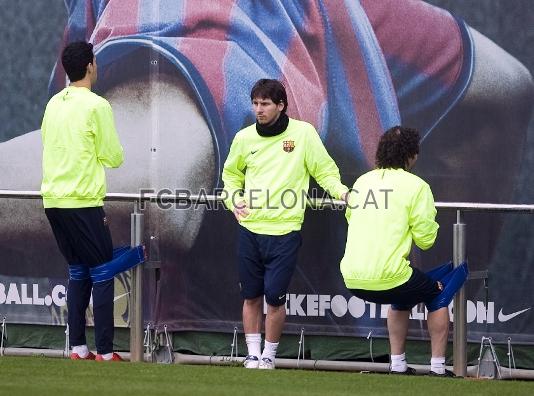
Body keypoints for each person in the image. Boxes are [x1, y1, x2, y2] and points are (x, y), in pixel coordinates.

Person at [222, 79, 348, 369]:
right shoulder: (244, 138)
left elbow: (325, 171)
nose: (259, 110)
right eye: (255, 103)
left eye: (265, 104)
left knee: (275, 299)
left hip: (285, 231)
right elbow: (230, 177)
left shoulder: (303, 134)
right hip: (250, 229)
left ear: (281, 105)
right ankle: (252, 355)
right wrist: (233, 199)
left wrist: (342, 192)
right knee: (250, 296)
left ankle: (269, 356)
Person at [340, 126, 456, 377]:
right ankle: (437, 368)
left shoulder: (362, 181)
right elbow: (426, 241)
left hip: (351, 278)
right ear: (412, 155)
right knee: (438, 293)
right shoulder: (417, 186)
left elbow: (353, 217)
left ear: (381, 152)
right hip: (390, 276)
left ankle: (398, 365)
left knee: (400, 298)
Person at [41, 41, 125, 361]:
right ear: (90, 66)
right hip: (82, 201)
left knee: (77, 271)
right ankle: (105, 352)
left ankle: (77, 347)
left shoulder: (53, 103)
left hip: (53, 201)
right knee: (102, 271)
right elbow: (113, 156)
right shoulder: (97, 105)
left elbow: (48, 141)